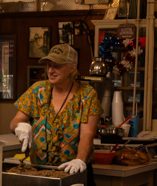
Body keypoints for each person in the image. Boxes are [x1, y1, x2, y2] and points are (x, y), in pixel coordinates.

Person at [10, 44, 101, 174]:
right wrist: (20, 125)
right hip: (39, 171)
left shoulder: (86, 95)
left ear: (72, 67)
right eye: (49, 65)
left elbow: (87, 134)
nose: (51, 70)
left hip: (73, 170)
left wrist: (79, 160)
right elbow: (15, 121)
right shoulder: (37, 90)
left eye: (57, 66)